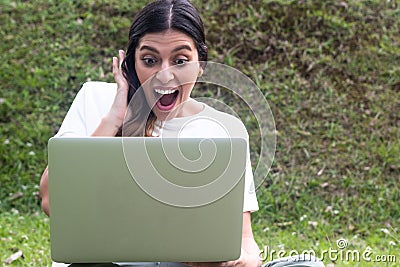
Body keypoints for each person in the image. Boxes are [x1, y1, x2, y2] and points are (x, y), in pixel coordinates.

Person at [39, 1, 324, 267]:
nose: (165, 75)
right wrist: (115, 119)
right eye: (150, 60)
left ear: (200, 65)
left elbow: (244, 239)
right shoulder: (97, 100)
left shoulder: (224, 130)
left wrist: (244, 260)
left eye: (180, 60)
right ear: (130, 64)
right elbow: (52, 201)